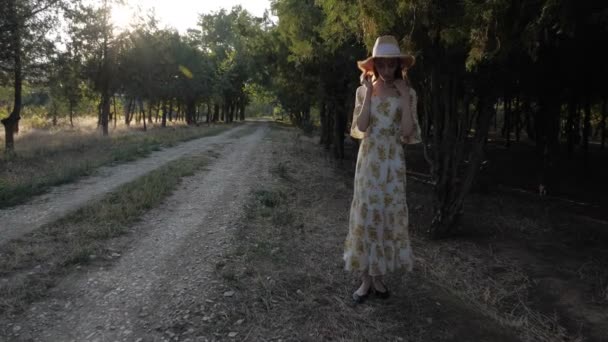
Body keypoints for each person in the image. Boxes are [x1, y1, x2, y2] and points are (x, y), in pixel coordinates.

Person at [343, 35, 421, 304]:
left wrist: (403, 96)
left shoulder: (407, 92)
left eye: (392, 65)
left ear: (398, 65)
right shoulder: (363, 91)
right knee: (367, 214)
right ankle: (365, 279)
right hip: (369, 160)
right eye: (382, 65)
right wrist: (367, 93)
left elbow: (408, 132)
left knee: (387, 215)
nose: (387, 70)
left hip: (393, 162)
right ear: (374, 65)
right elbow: (362, 128)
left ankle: (379, 277)